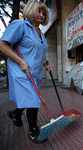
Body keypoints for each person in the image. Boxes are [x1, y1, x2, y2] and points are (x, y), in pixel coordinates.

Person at [0, 0, 52, 144]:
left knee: (27, 98)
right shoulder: (21, 25)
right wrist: (21, 61)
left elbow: (37, 52)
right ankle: (33, 131)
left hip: (34, 72)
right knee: (34, 99)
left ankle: (15, 114)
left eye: (43, 13)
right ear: (30, 10)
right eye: (38, 11)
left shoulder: (41, 34)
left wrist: (46, 64)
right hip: (20, 70)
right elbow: (2, 45)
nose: (41, 15)